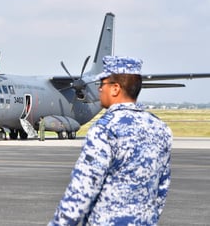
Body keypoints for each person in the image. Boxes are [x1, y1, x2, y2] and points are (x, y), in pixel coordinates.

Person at [48, 55, 173, 226]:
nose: (98, 89)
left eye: (102, 84)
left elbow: (83, 189)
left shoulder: (105, 129)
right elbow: (162, 189)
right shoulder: (161, 129)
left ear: (115, 88)